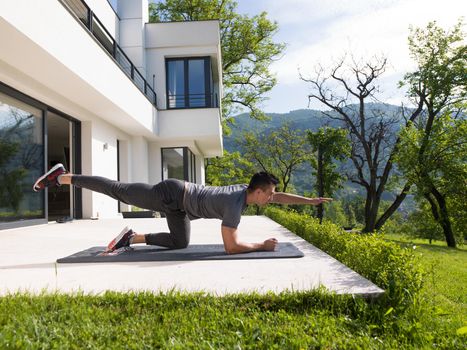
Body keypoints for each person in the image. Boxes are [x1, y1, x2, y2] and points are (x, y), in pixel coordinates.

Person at [33, 164, 332, 255]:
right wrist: (262, 246)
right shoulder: (234, 205)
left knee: (180, 242)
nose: (271, 197)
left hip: (181, 207)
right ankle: (63, 177)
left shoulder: (246, 190)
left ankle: (132, 238)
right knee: (118, 189)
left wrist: (309, 201)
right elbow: (231, 246)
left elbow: (280, 198)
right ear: (256, 192)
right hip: (171, 194)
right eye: (268, 193)